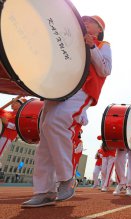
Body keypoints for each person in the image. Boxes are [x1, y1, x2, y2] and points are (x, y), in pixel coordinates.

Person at [22, 15, 112, 208]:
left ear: (98, 29)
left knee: (55, 122)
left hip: (83, 88)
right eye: (84, 19)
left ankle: (66, 178)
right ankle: (44, 191)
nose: (85, 22)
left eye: (90, 22)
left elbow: (105, 69)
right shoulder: (70, 37)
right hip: (58, 86)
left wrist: (91, 47)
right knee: (45, 132)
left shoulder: (103, 44)